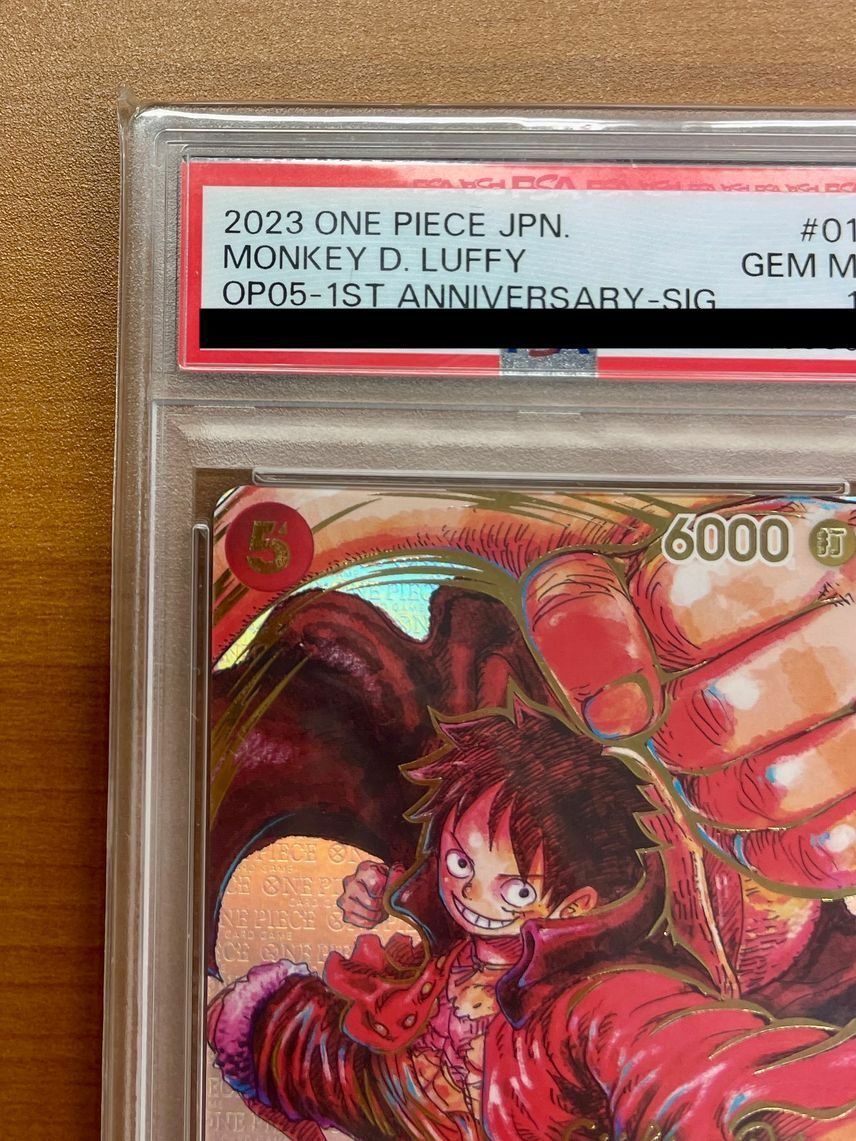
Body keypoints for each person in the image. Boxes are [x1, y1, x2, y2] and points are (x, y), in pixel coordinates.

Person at [208, 695, 856, 1140]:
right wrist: (389, 890)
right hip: (389, 1081)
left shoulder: (582, 1003)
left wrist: (738, 1100)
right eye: (460, 861)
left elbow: (665, 1047)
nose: (472, 894)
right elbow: (351, 1068)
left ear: (576, 907)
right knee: (255, 1025)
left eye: (515, 890)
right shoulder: (450, 939)